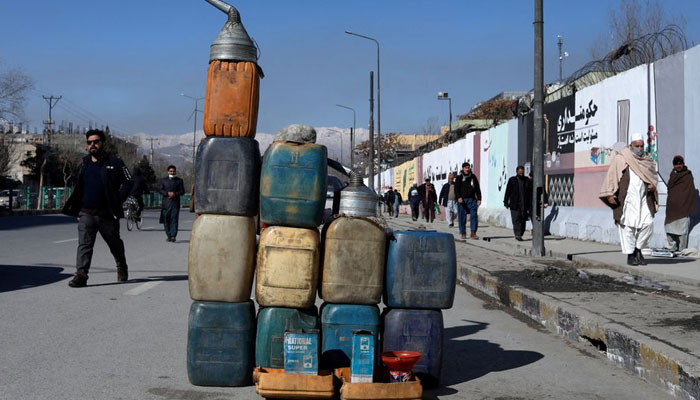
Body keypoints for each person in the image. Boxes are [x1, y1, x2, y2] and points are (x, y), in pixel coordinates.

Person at [62, 129, 133, 288]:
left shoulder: (115, 162)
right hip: (86, 212)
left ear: (103, 143)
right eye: (89, 142)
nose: (92, 145)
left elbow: (129, 181)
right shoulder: (84, 163)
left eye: (96, 142)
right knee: (84, 245)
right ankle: (81, 275)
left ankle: (121, 265)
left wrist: (118, 199)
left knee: (115, 244)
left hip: (107, 214)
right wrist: (77, 210)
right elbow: (80, 188)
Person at [599, 133, 658, 266]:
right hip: (627, 199)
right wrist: (610, 195)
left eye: (642, 145)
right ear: (631, 145)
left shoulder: (647, 159)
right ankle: (631, 255)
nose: (640, 148)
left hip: (643, 198)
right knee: (627, 227)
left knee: (648, 224)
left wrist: (653, 185)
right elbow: (612, 176)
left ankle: (638, 249)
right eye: (637, 146)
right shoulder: (622, 158)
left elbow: (652, 176)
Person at [664, 155, 698, 251]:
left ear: (683, 164)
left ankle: (682, 249)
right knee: (669, 229)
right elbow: (670, 187)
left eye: (680, 164)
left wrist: (686, 203)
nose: (678, 166)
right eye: (676, 164)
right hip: (672, 208)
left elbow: (689, 191)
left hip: (683, 207)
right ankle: (671, 247)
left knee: (682, 231)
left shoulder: (687, 175)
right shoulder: (673, 174)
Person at [454, 162, 482, 240]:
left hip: (472, 200)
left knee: (474, 215)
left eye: (468, 167)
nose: (467, 169)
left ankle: (473, 232)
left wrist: (479, 198)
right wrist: (459, 197)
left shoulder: (473, 177)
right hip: (462, 200)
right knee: (462, 217)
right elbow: (456, 189)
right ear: (463, 168)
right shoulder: (459, 177)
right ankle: (463, 233)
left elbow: (477, 188)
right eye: (466, 167)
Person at [504, 166, 532, 241]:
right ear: (517, 172)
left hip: (524, 204)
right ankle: (517, 234)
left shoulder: (526, 180)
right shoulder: (512, 180)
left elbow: (530, 191)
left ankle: (521, 233)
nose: (521, 174)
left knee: (523, 219)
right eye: (520, 172)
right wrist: (506, 202)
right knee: (516, 220)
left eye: (522, 172)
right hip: (514, 204)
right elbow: (508, 191)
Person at [158, 165, 185, 242]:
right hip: (166, 204)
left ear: (175, 171)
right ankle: (168, 235)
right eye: (170, 171)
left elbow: (182, 191)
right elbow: (160, 190)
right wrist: (167, 193)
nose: (172, 172)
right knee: (166, 220)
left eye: (173, 171)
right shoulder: (163, 180)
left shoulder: (179, 181)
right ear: (168, 171)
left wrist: (174, 194)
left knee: (174, 220)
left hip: (175, 204)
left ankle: (173, 235)